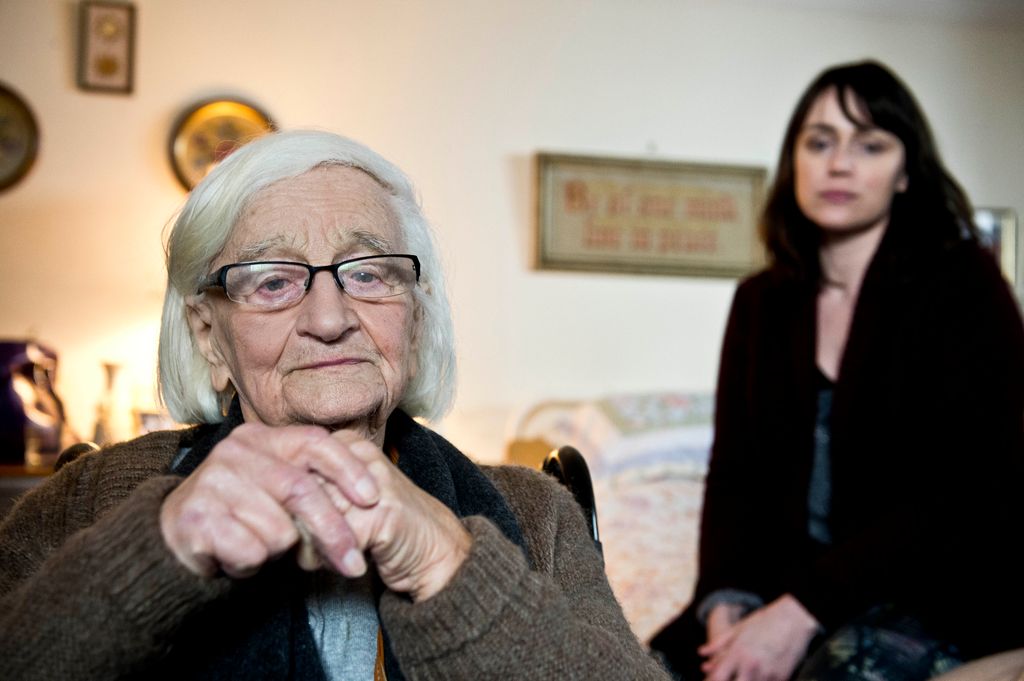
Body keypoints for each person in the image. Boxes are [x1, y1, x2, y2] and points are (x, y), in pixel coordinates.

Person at [0, 130, 671, 680]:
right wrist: (157, 550)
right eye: (271, 281)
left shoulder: (536, 514)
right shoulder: (92, 499)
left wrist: (447, 563)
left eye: (369, 271)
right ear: (209, 334)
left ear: (414, 317)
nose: (329, 317)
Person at [648, 60, 1024, 681]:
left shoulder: (967, 287)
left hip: (937, 588)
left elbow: (962, 493)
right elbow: (733, 476)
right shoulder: (760, 302)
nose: (840, 163)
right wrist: (726, 605)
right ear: (794, 160)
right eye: (819, 142)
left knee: (841, 669)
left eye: (870, 144)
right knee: (643, 665)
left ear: (906, 173)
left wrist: (799, 613)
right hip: (786, 585)